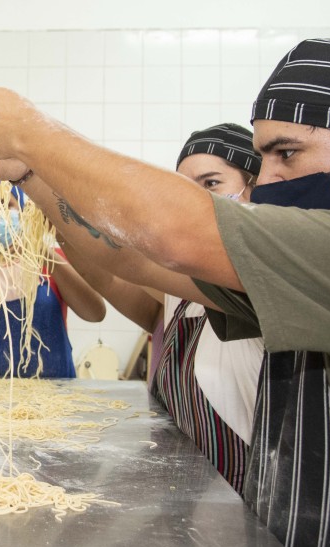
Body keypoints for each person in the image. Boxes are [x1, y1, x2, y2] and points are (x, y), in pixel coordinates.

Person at [0, 38, 330, 547]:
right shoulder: (282, 272)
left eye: (288, 154)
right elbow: (127, 257)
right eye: (265, 159)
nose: (273, 179)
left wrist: (28, 131)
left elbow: (173, 234)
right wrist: (31, 175)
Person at [61, 124, 264, 492]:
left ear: (253, 187)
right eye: (186, 189)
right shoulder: (177, 294)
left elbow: (126, 261)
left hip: (243, 497)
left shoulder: (258, 276)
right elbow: (109, 279)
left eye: (212, 183)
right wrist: (58, 222)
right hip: (180, 492)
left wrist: (39, 169)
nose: (196, 201)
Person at [0, 186, 105, 378]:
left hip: (54, 395)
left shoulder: (52, 261)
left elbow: (95, 313)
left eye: (7, 205)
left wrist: (42, 252)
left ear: (22, 210)